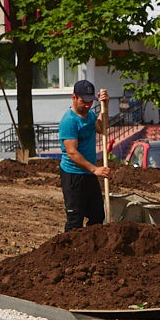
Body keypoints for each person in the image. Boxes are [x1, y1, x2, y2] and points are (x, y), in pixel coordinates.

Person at [58, 79, 110, 231]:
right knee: (75, 219)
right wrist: (95, 169)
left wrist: (105, 106)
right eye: (84, 102)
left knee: (97, 216)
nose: (87, 105)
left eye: (90, 102)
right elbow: (72, 153)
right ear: (74, 97)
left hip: (89, 174)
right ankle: (71, 251)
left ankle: (91, 250)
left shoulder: (89, 116)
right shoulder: (69, 121)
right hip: (73, 175)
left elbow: (102, 128)